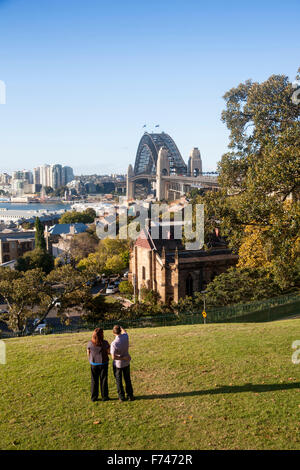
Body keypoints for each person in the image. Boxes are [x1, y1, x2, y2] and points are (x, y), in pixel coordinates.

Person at [111, 325, 134, 402]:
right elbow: (125, 332)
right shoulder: (125, 337)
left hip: (118, 364)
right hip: (126, 362)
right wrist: (121, 327)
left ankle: (121, 396)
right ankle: (130, 395)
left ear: (113, 333)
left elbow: (113, 357)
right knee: (127, 379)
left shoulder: (114, 343)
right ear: (120, 331)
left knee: (119, 380)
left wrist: (121, 358)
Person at [87, 328, 110, 402]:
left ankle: (94, 397)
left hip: (94, 364)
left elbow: (88, 353)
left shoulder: (90, 343)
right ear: (102, 334)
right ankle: (104, 396)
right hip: (103, 363)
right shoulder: (105, 343)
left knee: (94, 380)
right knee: (104, 380)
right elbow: (108, 352)